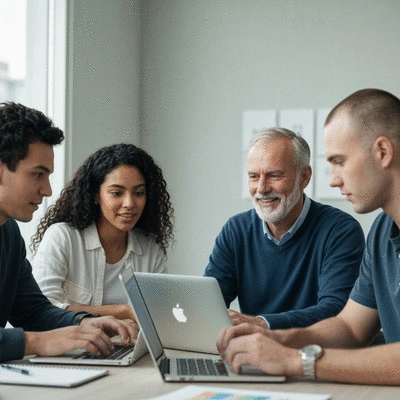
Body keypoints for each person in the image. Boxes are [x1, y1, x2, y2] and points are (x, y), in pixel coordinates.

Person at [217, 88, 400, 385]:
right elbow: (350, 329)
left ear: (382, 152)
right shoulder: (381, 231)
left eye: (339, 161)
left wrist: (294, 360)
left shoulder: (341, 229)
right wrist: (275, 337)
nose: (333, 179)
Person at [0, 102, 135, 363]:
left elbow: (33, 312)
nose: (48, 190)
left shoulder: (9, 234)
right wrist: (37, 341)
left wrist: (85, 322)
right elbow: (36, 332)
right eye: (38, 175)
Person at [204, 128, 365, 329]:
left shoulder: (340, 231)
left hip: (313, 355)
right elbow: (208, 305)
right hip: (254, 353)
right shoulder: (235, 230)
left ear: (304, 177)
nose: (261, 188)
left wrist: (262, 323)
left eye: (274, 175)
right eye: (254, 176)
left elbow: (335, 310)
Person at [31, 143, 174, 321]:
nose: (129, 203)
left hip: (128, 347)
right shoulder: (62, 237)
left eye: (138, 193)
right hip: (70, 347)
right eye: (116, 193)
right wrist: (122, 312)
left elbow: (161, 314)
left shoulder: (150, 249)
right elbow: (43, 310)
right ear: (96, 195)